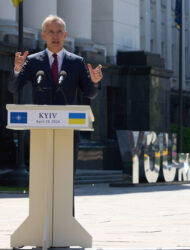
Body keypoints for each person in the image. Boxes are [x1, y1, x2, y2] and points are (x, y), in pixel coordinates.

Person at [8, 14, 103, 215]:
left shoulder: (76, 62)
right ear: (44, 35)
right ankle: (40, 220)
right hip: (40, 132)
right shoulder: (33, 61)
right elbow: (13, 87)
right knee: (41, 178)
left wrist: (94, 81)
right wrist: (17, 70)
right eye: (51, 32)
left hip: (68, 133)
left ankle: (65, 221)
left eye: (59, 32)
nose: (55, 36)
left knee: (65, 178)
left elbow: (90, 93)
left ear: (65, 35)